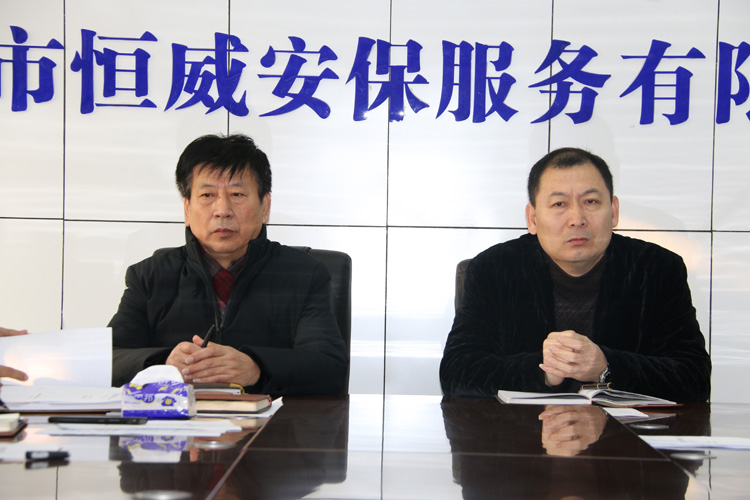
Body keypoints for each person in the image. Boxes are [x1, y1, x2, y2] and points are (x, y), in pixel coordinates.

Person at [439, 147, 710, 402]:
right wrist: (545, 369)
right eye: (559, 204)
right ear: (533, 219)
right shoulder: (494, 270)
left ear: (613, 211)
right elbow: (457, 372)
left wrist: (606, 366)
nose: (577, 218)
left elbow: (694, 378)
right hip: (524, 432)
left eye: (590, 201)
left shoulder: (657, 269)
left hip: (624, 434)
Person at [109, 134, 348, 395]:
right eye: (207, 194)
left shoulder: (303, 275)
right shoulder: (150, 276)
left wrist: (257, 368)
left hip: (276, 421)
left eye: (237, 194)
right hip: (175, 419)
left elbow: (330, 368)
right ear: (187, 209)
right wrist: (163, 363)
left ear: (265, 207)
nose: (222, 210)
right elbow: (108, 358)